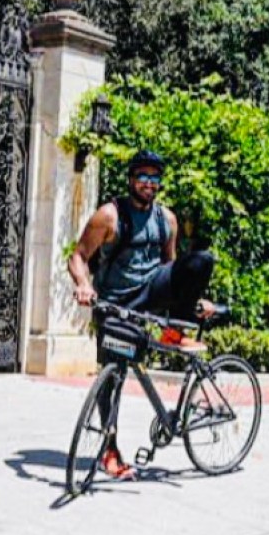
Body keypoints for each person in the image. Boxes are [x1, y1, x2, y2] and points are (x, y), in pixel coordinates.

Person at [69, 150, 215, 479]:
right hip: (117, 303)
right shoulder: (108, 216)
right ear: (131, 179)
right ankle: (110, 451)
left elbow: (171, 268)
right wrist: (82, 284)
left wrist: (191, 300)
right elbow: (78, 256)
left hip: (150, 293)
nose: (149, 184)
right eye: (143, 177)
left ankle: (174, 332)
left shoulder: (167, 220)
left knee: (201, 260)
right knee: (113, 377)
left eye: (155, 178)